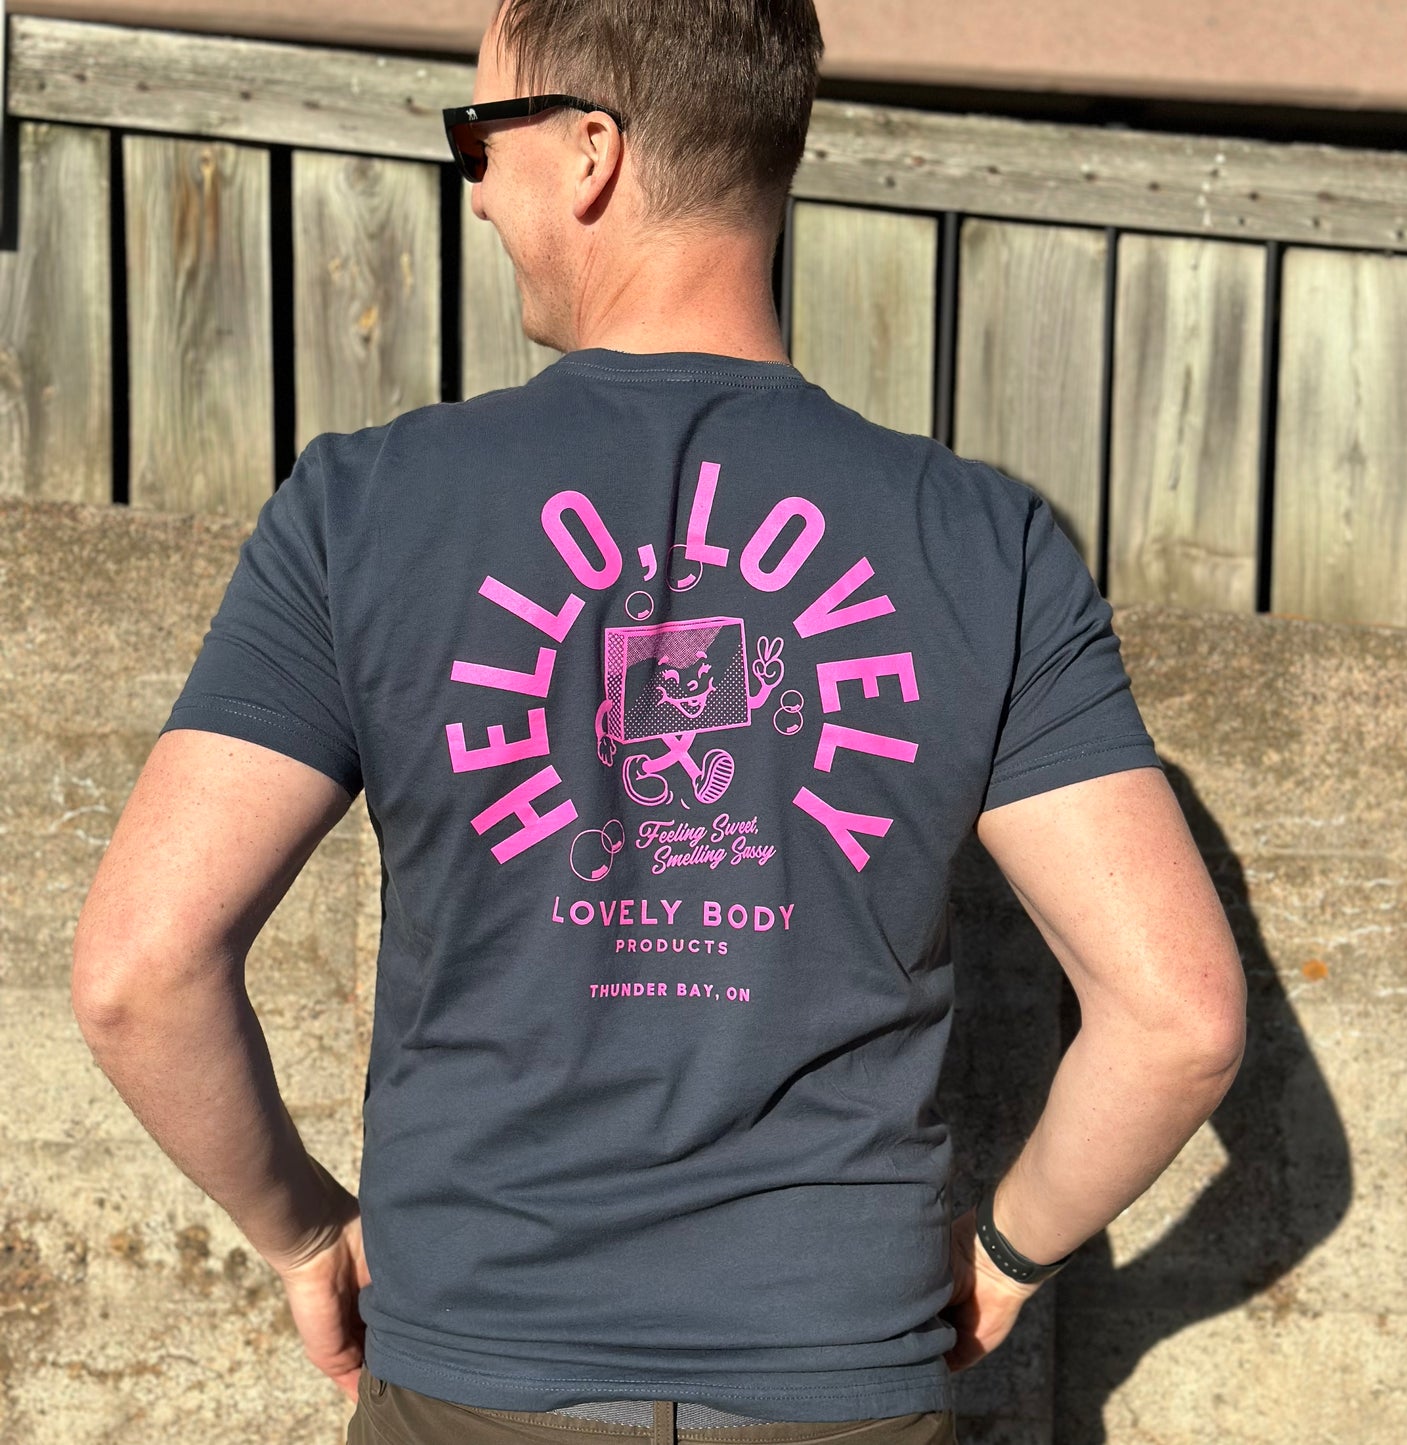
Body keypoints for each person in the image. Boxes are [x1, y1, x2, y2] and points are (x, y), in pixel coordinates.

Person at [70, 2, 1248, 1442]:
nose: (474, 181)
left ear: (587, 153)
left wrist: (308, 1233)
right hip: (839, 1378)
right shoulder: (981, 542)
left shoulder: (364, 512)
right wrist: (1005, 1250)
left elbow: (139, 971)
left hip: (477, 1377)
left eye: (477, 132)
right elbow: (1175, 1018)